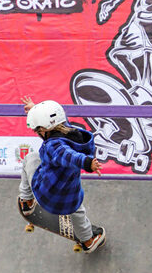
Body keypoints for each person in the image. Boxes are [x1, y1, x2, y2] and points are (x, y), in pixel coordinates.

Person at [18, 96, 105, 253]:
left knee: (30, 159)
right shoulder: (74, 136)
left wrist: (87, 163)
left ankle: (27, 202)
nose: (37, 133)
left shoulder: (54, 146)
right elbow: (72, 154)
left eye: (37, 130)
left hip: (44, 192)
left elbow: (68, 155)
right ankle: (88, 240)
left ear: (44, 130)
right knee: (78, 212)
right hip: (69, 198)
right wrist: (35, 110)